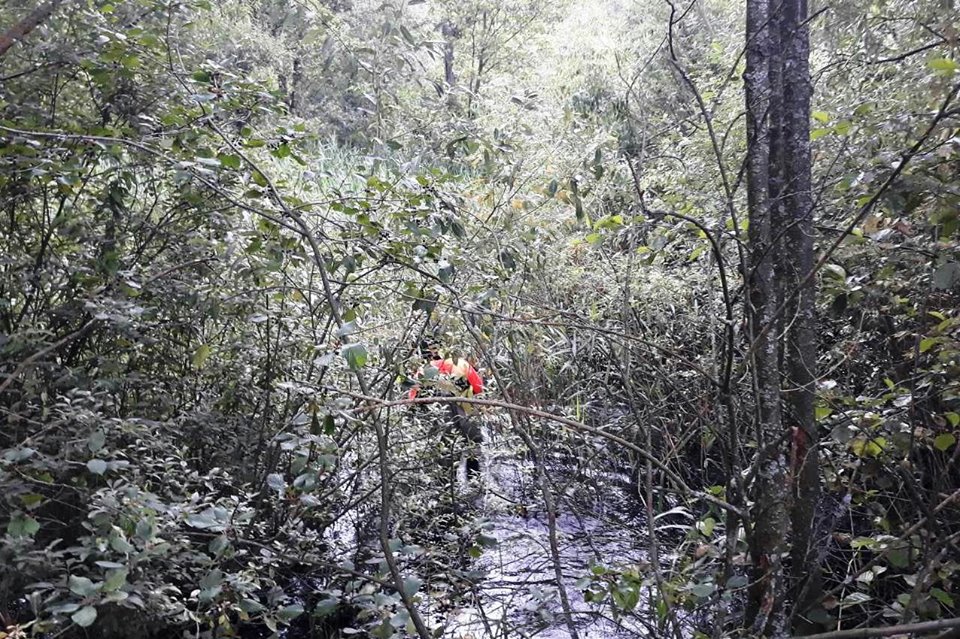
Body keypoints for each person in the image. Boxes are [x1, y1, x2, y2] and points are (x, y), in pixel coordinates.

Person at [407, 347, 484, 480]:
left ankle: (447, 493)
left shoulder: (423, 371)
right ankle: (474, 486)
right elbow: (479, 389)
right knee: (473, 447)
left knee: (446, 457)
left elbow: (412, 401)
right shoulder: (461, 364)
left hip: (442, 421)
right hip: (466, 415)